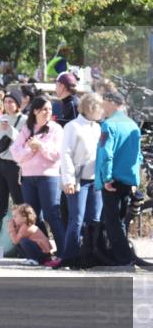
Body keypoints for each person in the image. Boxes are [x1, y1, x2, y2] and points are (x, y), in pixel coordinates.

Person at [95, 91, 143, 266]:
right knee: (120, 220)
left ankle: (124, 258)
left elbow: (106, 153)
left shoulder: (108, 125)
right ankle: (120, 256)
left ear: (111, 102)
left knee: (112, 222)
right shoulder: (133, 125)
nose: (102, 107)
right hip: (128, 180)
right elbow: (138, 156)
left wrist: (106, 178)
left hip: (113, 180)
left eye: (103, 103)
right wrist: (135, 181)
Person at [10, 96, 65, 250]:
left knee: (52, 215)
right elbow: (15, 153)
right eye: (44, 109)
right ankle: (43, 250)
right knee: (32, 218)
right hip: (28, 177)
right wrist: (30, 149)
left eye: (50, 109)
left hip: (49, 177)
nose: (48, 112)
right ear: (35, 111)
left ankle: (63, 252)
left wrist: (40, 146)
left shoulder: (56, 129)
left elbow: (57, 155)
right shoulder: (27, 129)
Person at [59, 92, 104, 261]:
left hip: (95, 180)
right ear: (91, 108)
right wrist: (68, 180)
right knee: (76, 219)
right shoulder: (72, 126)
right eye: (100, 107)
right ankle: (69, 256)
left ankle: (92, 254)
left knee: (95, 218)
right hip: (78, 180)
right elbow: (66, 154)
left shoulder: (97, 127)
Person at [0, 90, 27, 232]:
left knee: (19, 203)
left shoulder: (25, 120)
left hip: (14, 165)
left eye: (11, 102)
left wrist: (10, 130)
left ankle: (22, 240)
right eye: (6, 102)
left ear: (17, 104)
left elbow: (23, 143)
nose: (8, 105)